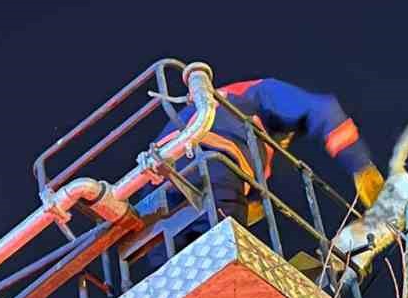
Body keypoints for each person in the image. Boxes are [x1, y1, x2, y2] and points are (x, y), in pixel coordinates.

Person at [146, 75, 384, 243]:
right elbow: (323, 110)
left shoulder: (242, 123)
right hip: (210, 164)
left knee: (168, 266)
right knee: (223, 256)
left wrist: (253, 200)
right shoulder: (261, 92)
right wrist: (361, 166)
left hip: (156, 182)